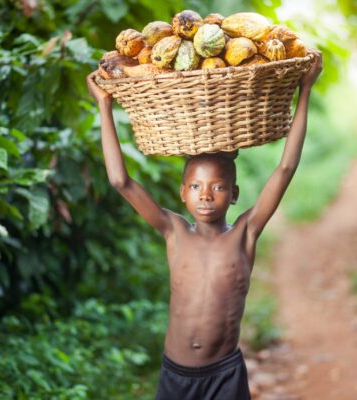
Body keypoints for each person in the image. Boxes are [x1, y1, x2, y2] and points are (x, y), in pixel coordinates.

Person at [86, 50, 323, 400]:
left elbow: (285, 169)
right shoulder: (174, 231)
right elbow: (121, 181)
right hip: (175, 375)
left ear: (234, 193)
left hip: (224, 376)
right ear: (183, 193)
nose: (206, 195)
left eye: (218, 187)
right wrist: (104, 107)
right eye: (196, 186)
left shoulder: (246, 233)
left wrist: (305, 91)